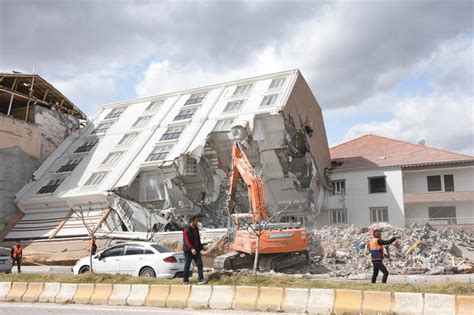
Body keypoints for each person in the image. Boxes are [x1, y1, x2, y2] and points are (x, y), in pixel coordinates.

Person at [182, 216, 206, 285]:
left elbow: (197, 239)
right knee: (187, 265)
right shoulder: (186, 229)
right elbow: (187, 241)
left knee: (199, 264)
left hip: (196, 249)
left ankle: (201, 279)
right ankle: (185, 280)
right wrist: (191, 248)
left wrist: (201, 247)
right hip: (188, 250)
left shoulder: (196, 228)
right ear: (192, 221)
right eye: (196, 221)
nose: (197, 222)